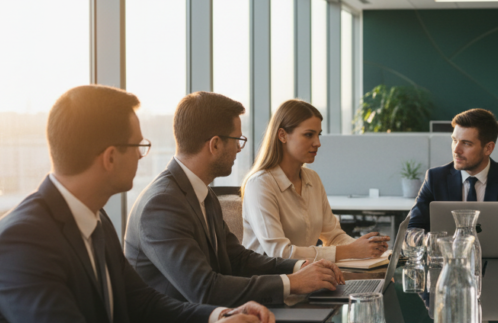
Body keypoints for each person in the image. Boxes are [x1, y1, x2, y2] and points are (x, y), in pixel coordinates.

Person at [0, 86, 274, 323]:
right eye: (138, 147)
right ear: (110, 157)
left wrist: (220, 315)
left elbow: (143, 304)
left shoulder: (95, 220)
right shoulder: (22, 241)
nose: (143, 157)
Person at [125, 92, 343, 308]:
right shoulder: (162, 204)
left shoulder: (202, 194)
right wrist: (292, 282)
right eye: (237, 140)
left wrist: (299, 266)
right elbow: (205, 289)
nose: (239, 149)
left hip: (214, 321)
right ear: (215, 144)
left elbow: (238, 259)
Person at [241, 99, 389, 261]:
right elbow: (279, 253)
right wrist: (351, 251)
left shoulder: (312, 179)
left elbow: (333, 236)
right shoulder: (260, 184)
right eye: (308, 135)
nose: (317, 143)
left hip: (307, 276)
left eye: (318, 135)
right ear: (282, 135)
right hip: (271, 280)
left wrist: (366, 248)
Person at [408, 108, 498, 248]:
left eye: (466, 143)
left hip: (496, 265)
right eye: (454, 140)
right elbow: (411, 230)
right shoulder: (435, 178)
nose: (456, 150)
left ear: (488, 148)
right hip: (446, 263)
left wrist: (493, 244)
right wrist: (437, 243)